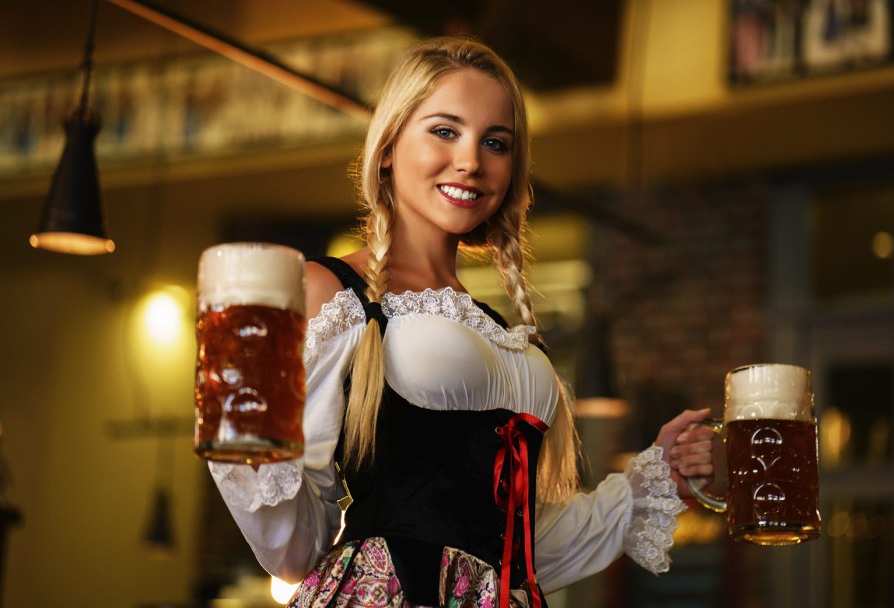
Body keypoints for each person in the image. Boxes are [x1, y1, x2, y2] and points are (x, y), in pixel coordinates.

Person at [208, 36, 715, 608]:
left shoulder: (494, 328)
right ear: (389, 147)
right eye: (445, 130)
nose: (472, 160)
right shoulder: (333, 292)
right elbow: (293, 550)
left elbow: (525, 550)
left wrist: (656, 480)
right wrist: (240, 423)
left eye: (495, 142)